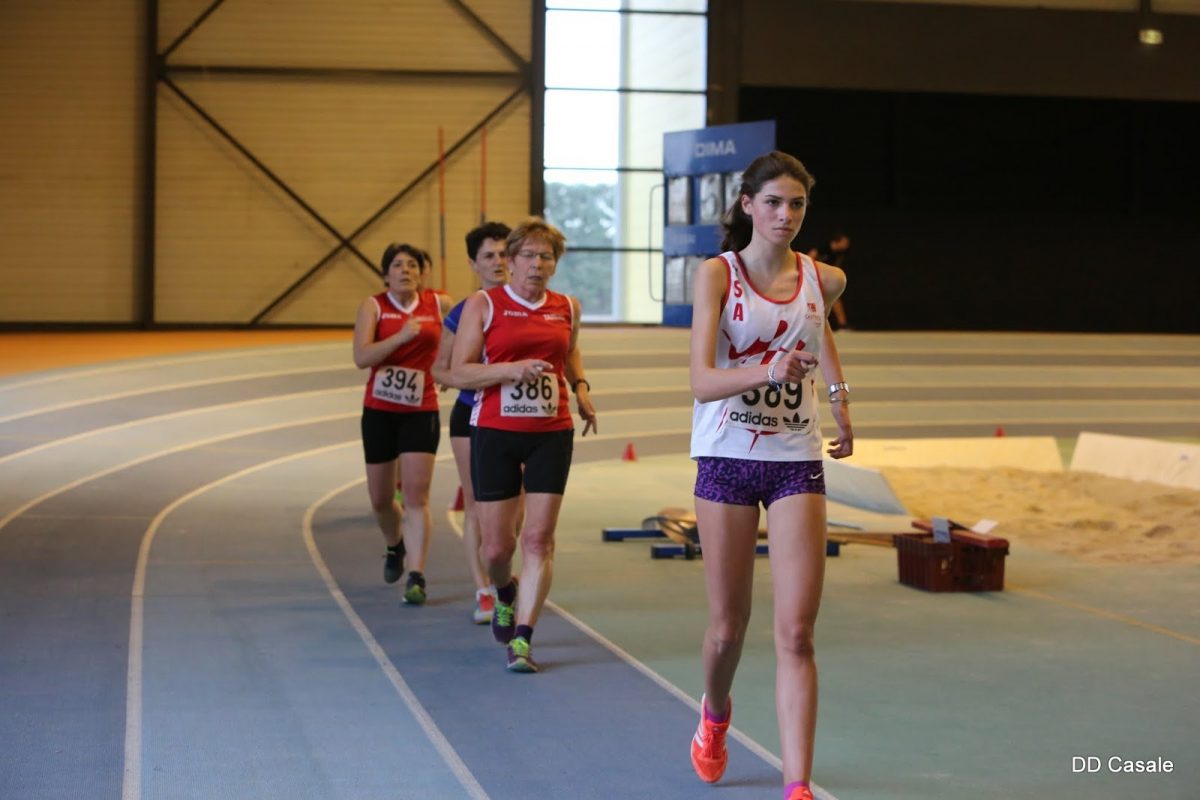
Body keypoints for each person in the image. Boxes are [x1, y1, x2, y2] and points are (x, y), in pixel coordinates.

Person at [688, 151, 853, 800]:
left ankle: (797, 785)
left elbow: (819, 330)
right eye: (775, 202)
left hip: (795, 461)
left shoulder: (825, 277)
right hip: (726, 458)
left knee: (797, 630)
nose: (787, 215)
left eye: (799, 205)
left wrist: (840, 399)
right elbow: (702, 382)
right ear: (747, 205)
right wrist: (768, 371)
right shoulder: (716, 276)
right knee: (729, 627)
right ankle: (715, 713)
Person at [450, 217, 598, 673]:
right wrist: (510, 371)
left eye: (546, 256)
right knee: (497, 550)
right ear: (510, 262)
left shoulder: (566, 307)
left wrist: (581, 388)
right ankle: (505, 592)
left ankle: (524, 637)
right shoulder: (484, 304)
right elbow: (460, 370)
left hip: (551, 433)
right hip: (495, 430)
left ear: (555, 263)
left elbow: (569, 351)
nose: (537, 265)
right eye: (528, 256)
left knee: (538, 539)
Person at [353, 242, 453, 606]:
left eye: (412, 265)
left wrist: (449, 367)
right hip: (379, 410)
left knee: (416, 496)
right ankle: (394, 545)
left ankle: (417, 574)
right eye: (397, 265)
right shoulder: (374, 306)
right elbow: (362, 357)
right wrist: (400, 337)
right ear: (386, 274)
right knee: (380, 499)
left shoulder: (439, 304)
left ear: (422, 272)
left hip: (420, 409)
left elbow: (458, 338)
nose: (405, 270)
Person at [431, 221, 513, 624]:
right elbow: (440, 370)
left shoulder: (533, 304)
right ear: (473, 263)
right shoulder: (464, 311)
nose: (498, 262)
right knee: (479, 505)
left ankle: (505, 581)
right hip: (473, 416)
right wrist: (476, 377)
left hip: (521, 420)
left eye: (503, 253)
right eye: (488, 256)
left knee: (515, 511)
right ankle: (484, 590)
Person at [808, 231, 851, 329]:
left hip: (825, 279)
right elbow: (809, 257)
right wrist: (812, 273)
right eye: (845, 242)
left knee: (835, 300)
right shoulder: (824, 247)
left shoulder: (840, 253)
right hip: (814, 277)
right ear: (838, 242)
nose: (847, 245)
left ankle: (842, 325)